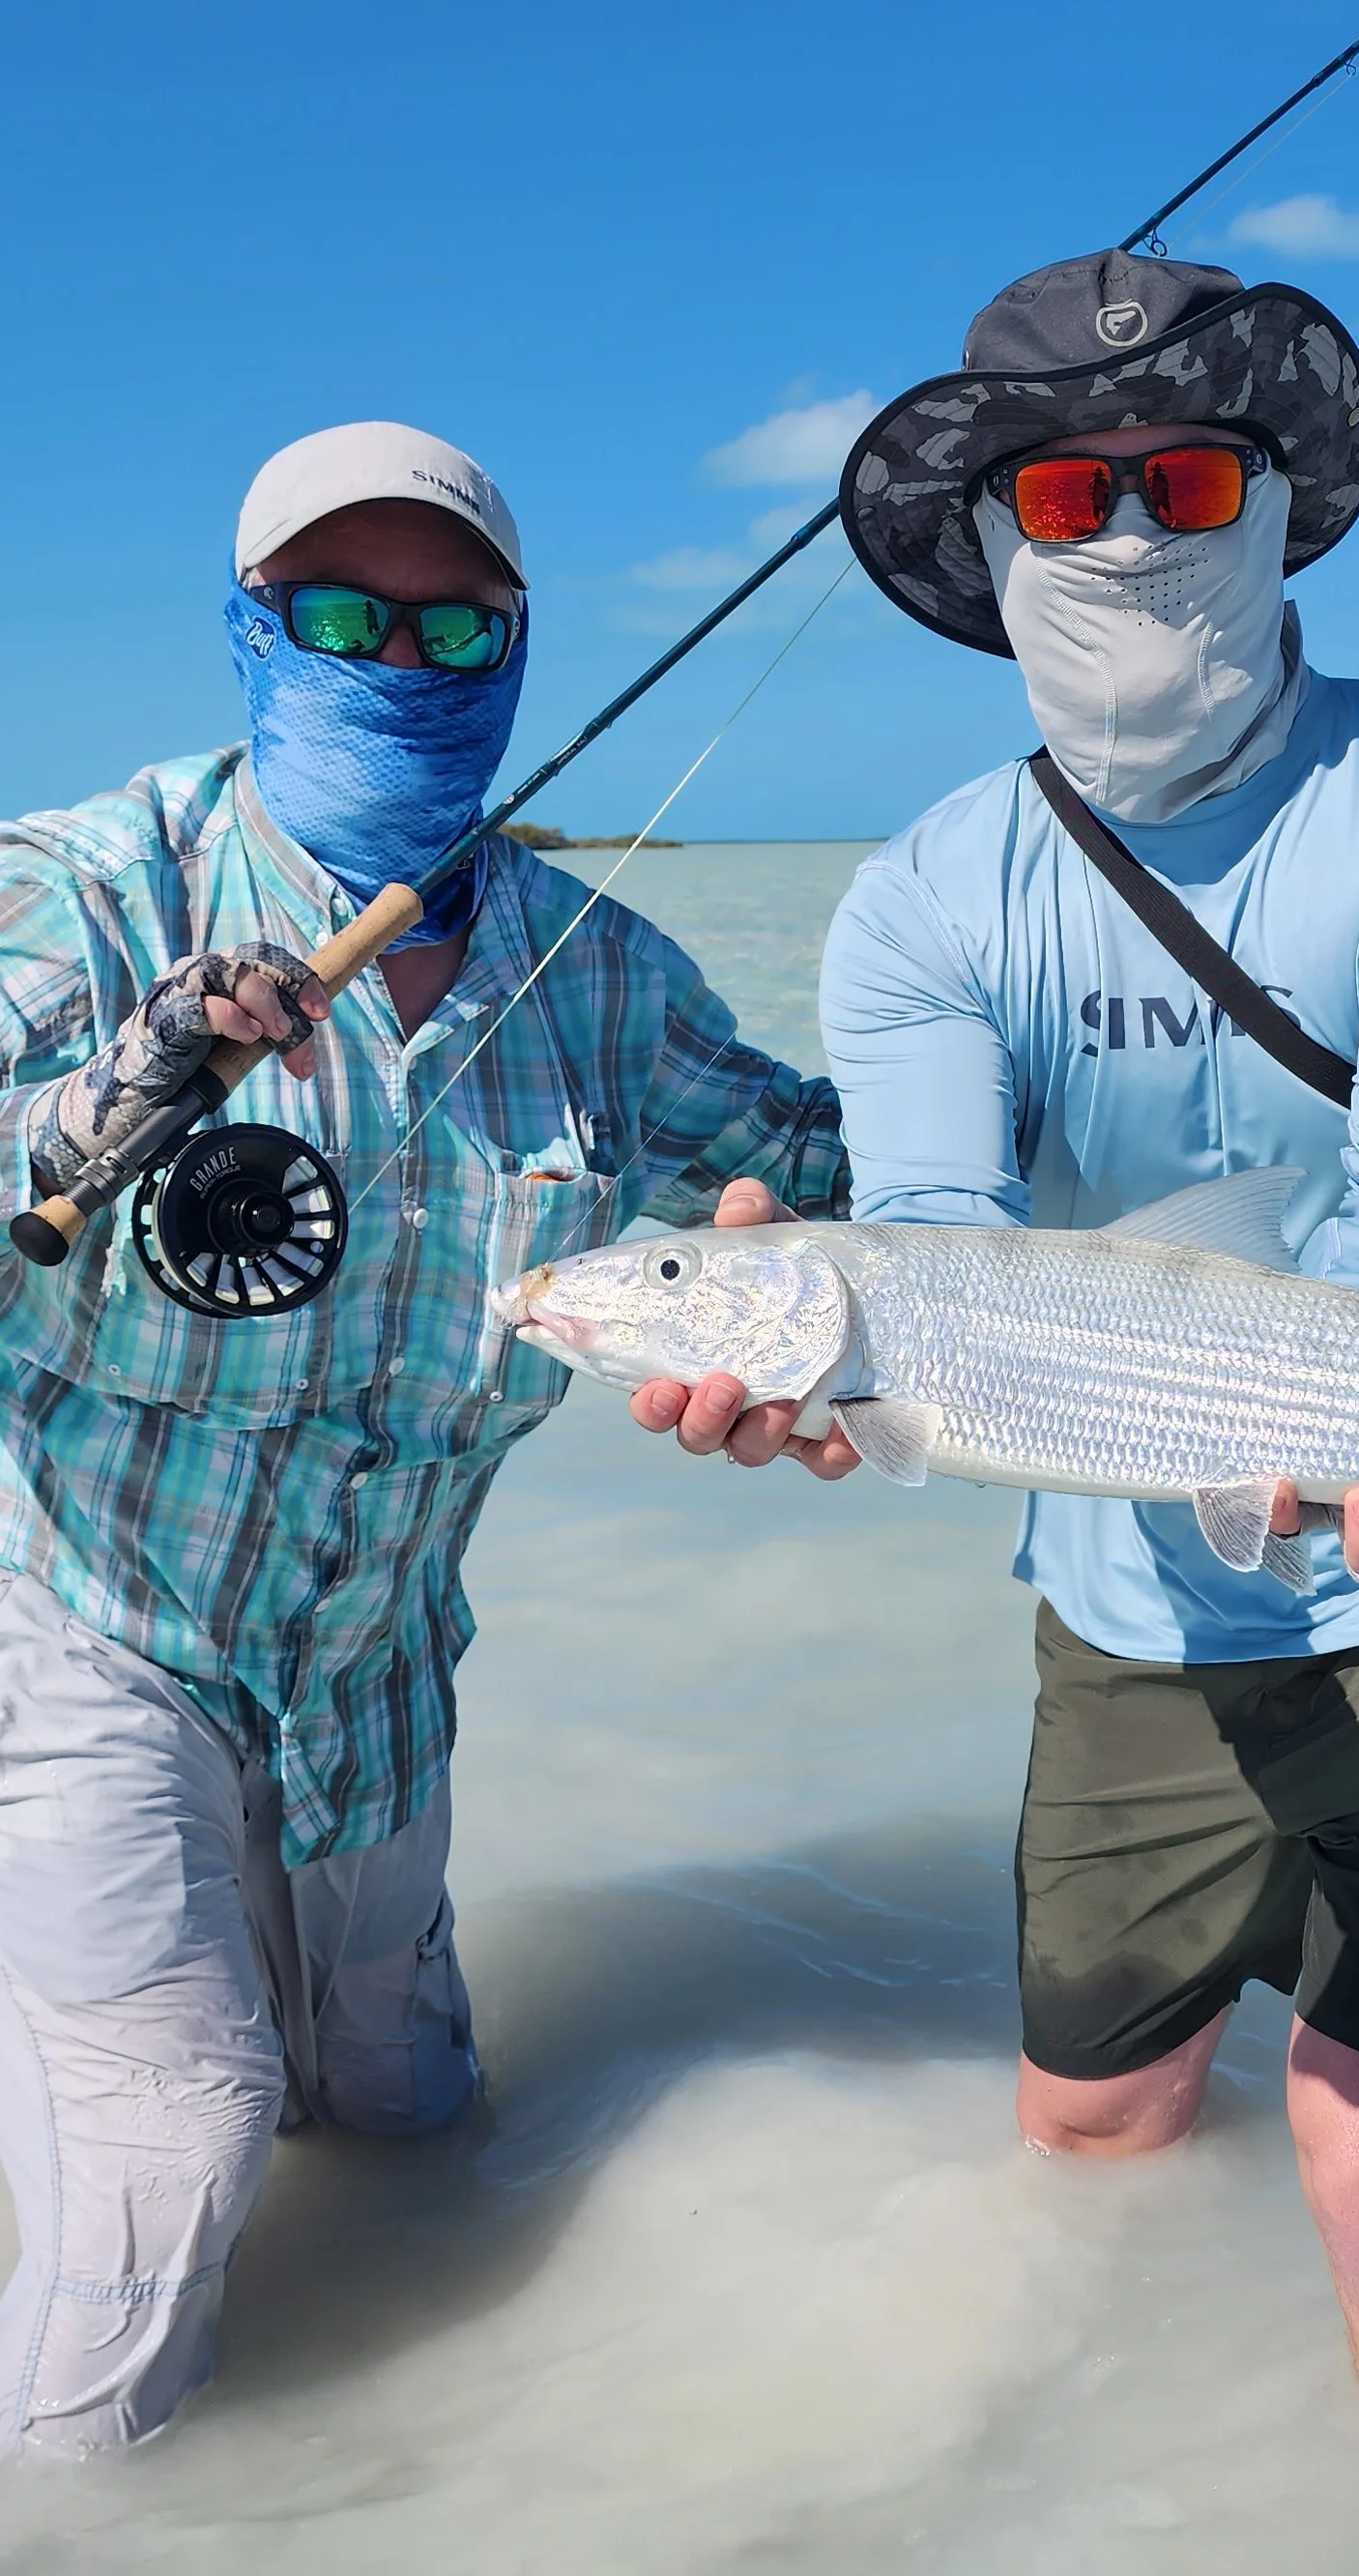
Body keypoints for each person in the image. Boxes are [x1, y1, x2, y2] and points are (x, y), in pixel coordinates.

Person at [632, 252, 1359, 2434]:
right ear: (988, 537)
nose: (1121, 537)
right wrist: (824, 1367)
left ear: (1274, 499)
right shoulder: (918, 895)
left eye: (1179, 477)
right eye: (1061, 495)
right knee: (1087, 2131)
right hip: (1130, 1567)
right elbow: (923, 1227)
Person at [0, 420, 845, 2455]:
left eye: (448, 621)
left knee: (402, 2114)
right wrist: (140, 1069)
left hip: (375, 1667)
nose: (396, 655)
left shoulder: (606, 981)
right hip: (79, 1619)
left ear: (518, 646)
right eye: (339, 615)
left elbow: (842, 1178)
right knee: (176, 2130)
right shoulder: (92, 884)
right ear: (250, 628)